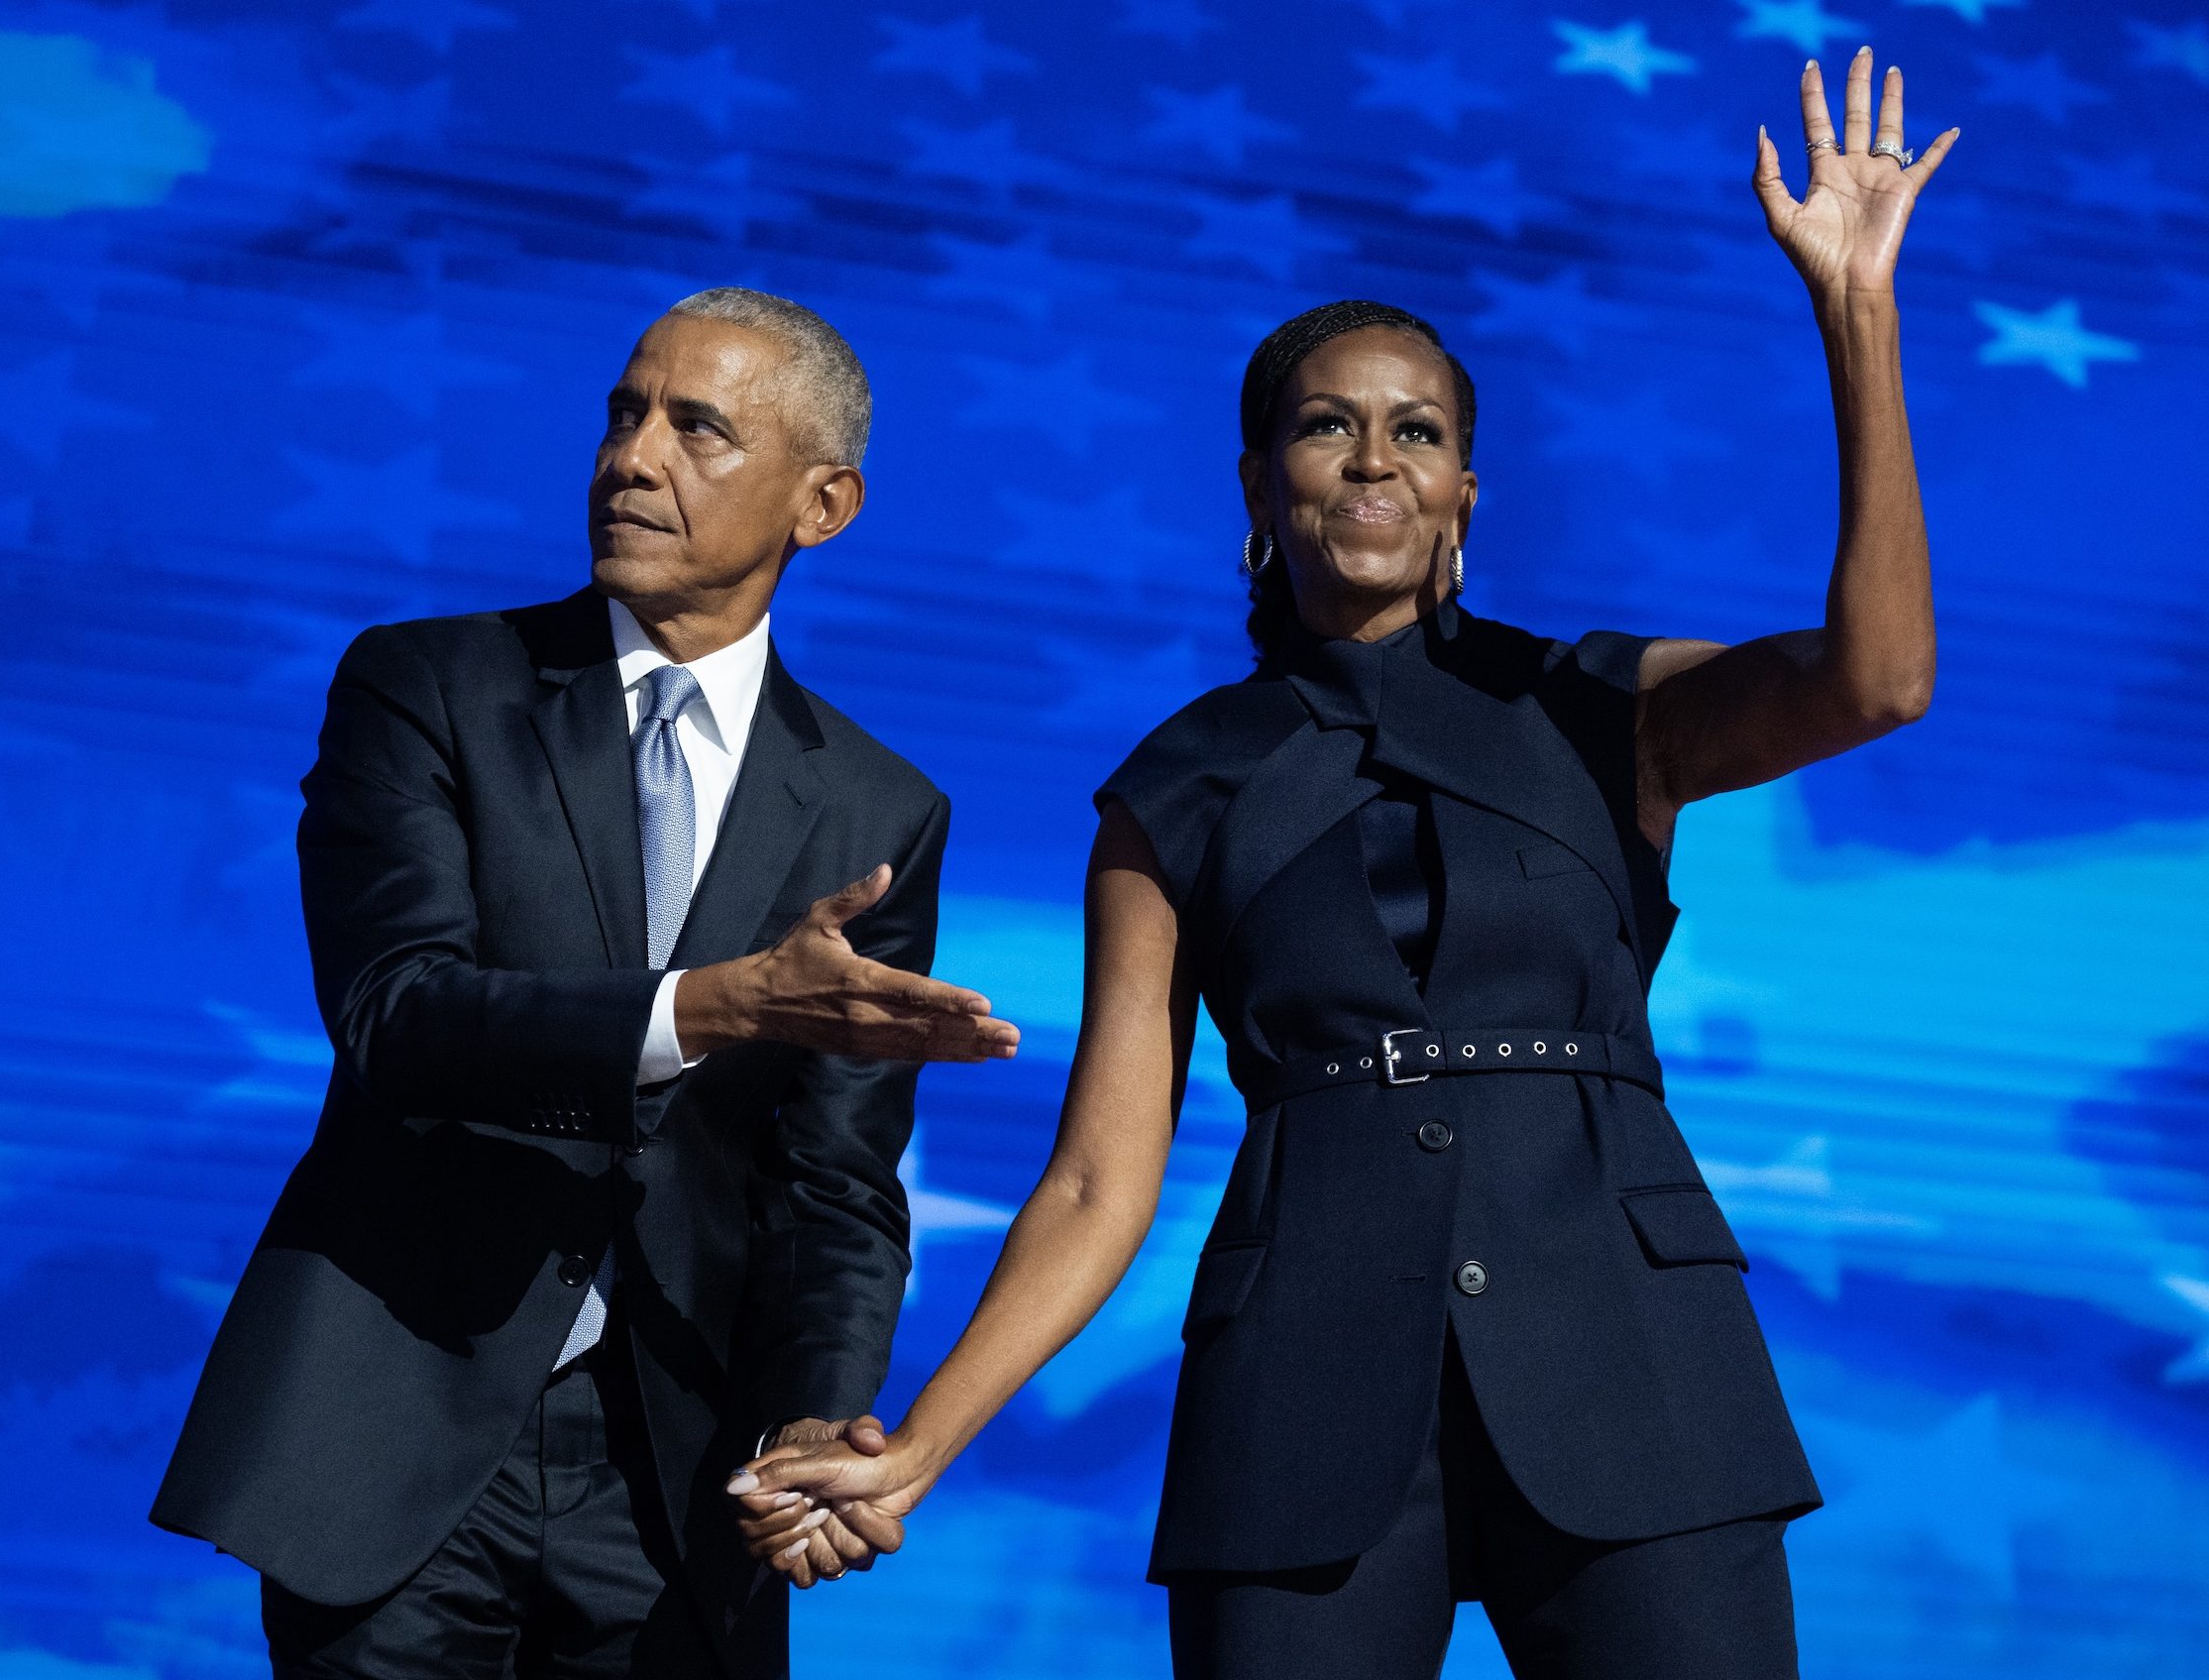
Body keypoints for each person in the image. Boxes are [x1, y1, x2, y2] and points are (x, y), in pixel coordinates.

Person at [730, 55, 1957, 1679]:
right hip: (1299, 1404)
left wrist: (1856, 313)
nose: (1374, 459)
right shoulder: (1174, 789)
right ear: (1261, 484)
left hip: (1636, 1372)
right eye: (1328, 426)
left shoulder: (1598, 710)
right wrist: (923, 1444)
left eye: (1417, 432)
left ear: (1464, 495)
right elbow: (1103, 1177)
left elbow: (1880, 679)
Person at [150, 286, 1019, 1679]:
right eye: (625, 414)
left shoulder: (879, 810)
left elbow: (839, 1183)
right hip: (403, 1437)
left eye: (700, 429)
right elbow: (399, 1015)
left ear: (824, 505)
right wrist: (716, 1006)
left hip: (679, 1483)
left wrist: (812, 1417)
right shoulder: (430, 685)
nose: (634, 458)